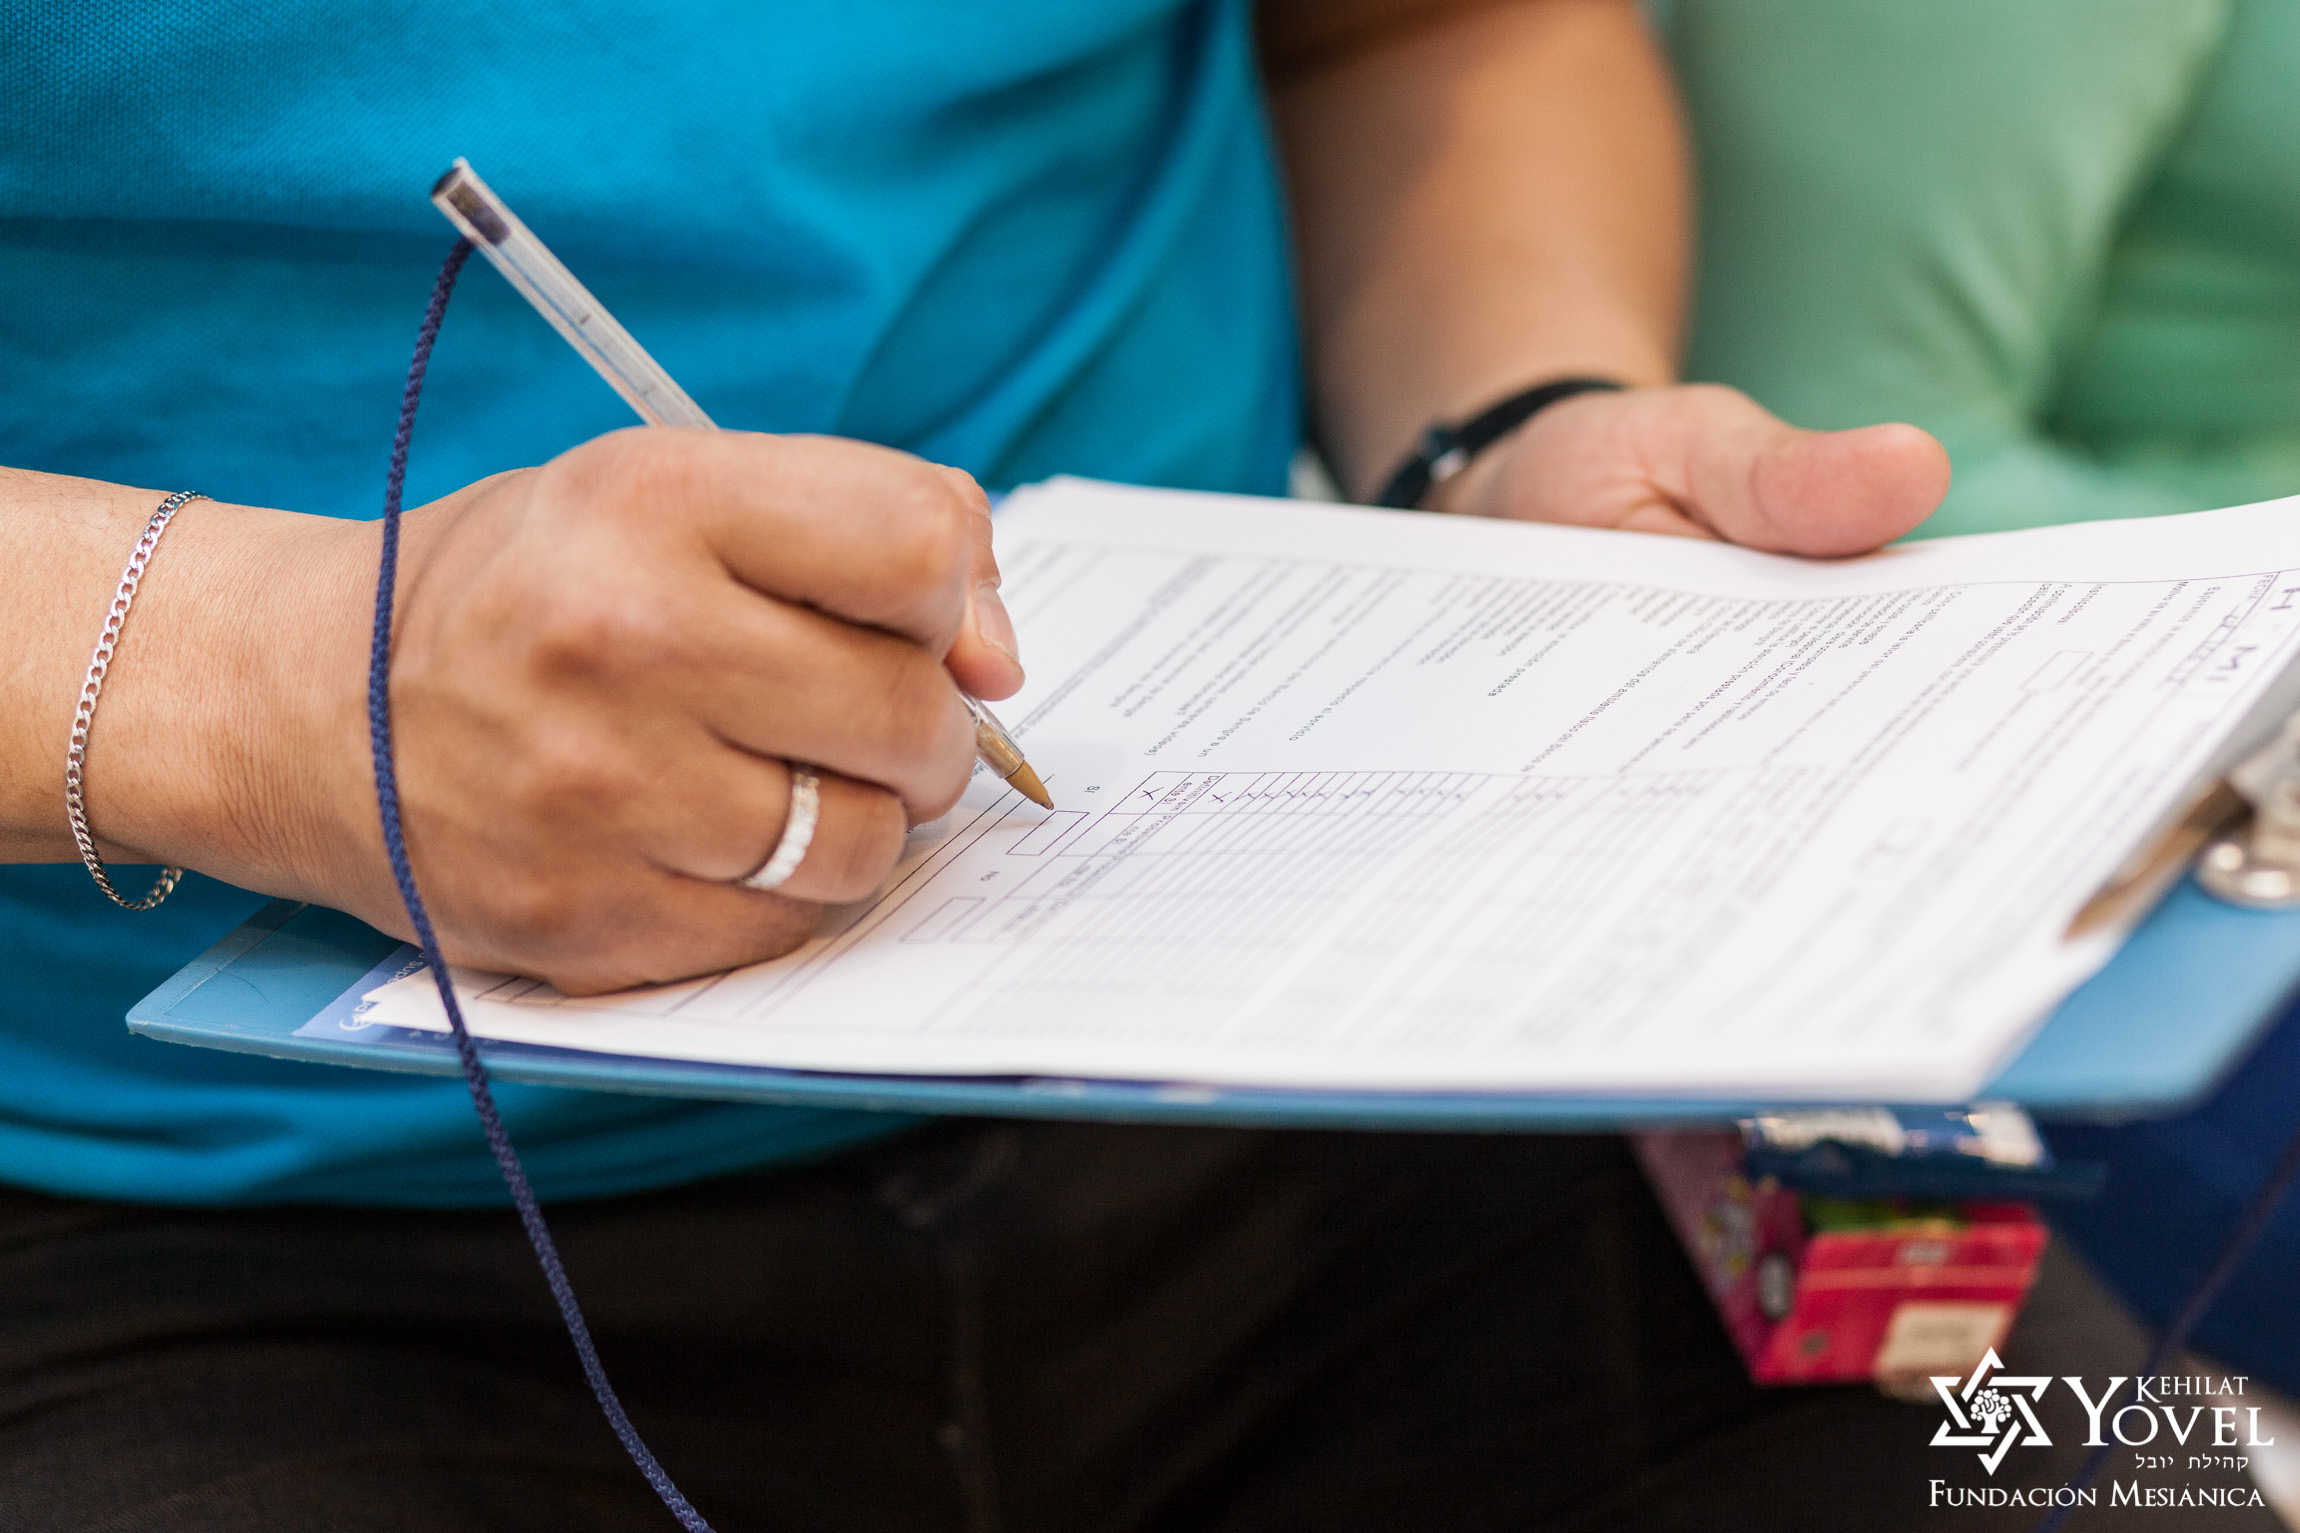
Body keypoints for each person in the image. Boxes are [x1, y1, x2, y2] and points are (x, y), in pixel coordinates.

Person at [4, 2, 2253, 1529]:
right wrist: (270, 681)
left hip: (1325, 1032)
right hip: (187, 1212)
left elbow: (1432, 29)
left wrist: (1498, 436)